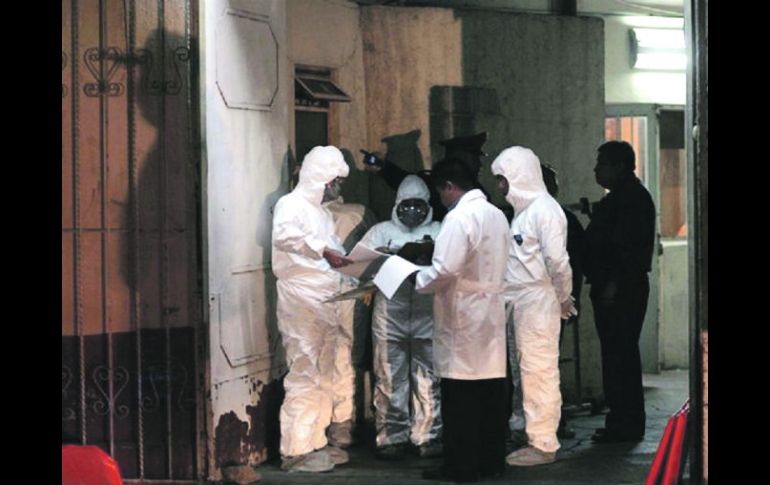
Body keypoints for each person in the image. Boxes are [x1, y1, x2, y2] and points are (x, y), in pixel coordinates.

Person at [415, 158, 510, 482]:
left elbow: (445, 269)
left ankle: (461, 466)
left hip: (464, 312)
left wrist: (415, 278)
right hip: (491, 310)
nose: (440, 199)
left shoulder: (458, 218)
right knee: (490, 393)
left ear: (448, 186)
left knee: (460, 396)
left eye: (440, 192)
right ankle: (491, 461)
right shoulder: (496, 214)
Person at [271, 145, 356, 472]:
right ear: (322, 178)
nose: (337, 188)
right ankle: (296, 449)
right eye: (335, 181)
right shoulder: (290, 205)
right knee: (305, 369)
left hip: (326, 298)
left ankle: (315, 441)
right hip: (302, 298)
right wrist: (322, 251)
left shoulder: (321, 213)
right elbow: (285, 237)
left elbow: (333, 254)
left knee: (324, 372)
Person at [491, 146, 576, 467]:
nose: (500, 186)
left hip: (537, 301)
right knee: (523, 371)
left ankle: (543, 443)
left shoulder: (545, 210)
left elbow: (557, 261)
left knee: (538, 371)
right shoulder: (524, 213)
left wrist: (564, 297)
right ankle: (526, 432)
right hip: (519, 301)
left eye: (503, 178)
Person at [359, 175, 443, 460]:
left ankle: (428, 436)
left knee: (428, 379)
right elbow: (359, 266)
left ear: (428, 205)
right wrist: (385, 257)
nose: (412, 211)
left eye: (419, 204)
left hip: (427, 314)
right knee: (389, 377)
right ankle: (391, 437)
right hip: (389, 315)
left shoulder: (439, 230)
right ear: (397, 205)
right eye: (407, 205)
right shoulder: (380, 232)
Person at [583, 140, 655, 444]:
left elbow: (627, 251)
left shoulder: (631, 199)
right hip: (615, 287)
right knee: (617, 356)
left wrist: (612, 286)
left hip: (621, 291)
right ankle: (621, 420)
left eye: (602, 164)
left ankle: (625, 423)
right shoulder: (621, 197)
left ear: (620, 167)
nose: (596, 170)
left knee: (620, 356)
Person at [364, 132, 489, 222]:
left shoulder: (477, 193)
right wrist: (383, 167)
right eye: (475, 158)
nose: (479, 164)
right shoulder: (432, 183)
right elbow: (408, 181)